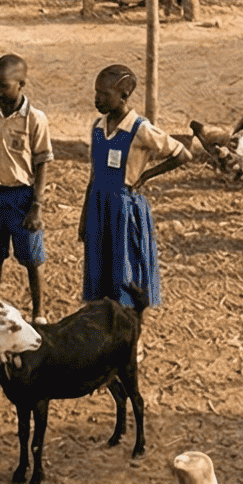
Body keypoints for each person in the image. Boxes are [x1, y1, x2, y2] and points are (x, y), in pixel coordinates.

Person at [79, 63, 190, 310]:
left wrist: (146, 175)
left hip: (123, 208)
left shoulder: (139, 128)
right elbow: (93, 175)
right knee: (99, 269)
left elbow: (182, 154)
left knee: (125, 270)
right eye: (96, 92)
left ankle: (131, 336)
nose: (97, 99)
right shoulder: (98, 127)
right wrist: (84, 216)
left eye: (104, 94)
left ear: (124, 96)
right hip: (99, 205)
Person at [0, 52, 51, 317]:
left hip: (22, 197)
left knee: (31, 258)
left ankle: (39, 311)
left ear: (21, 84)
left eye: (3, 85)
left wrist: (36, 206)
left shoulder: (35, 120)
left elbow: (42, 164)